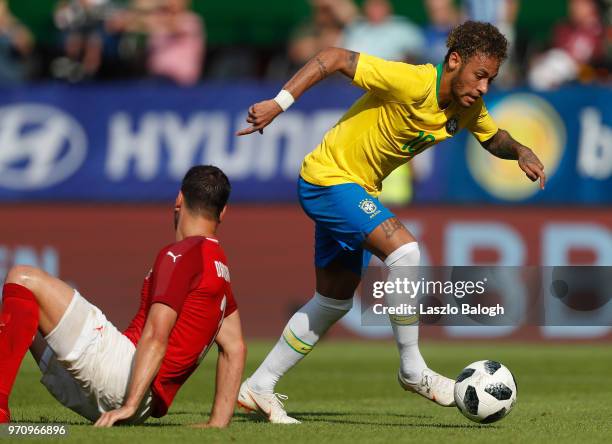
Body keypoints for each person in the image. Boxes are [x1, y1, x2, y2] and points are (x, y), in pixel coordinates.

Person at [235, 21, 545, 424]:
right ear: (454, 61)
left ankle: (259, 386)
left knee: (333, 300)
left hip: (355, 189)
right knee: (405, 250)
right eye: (480, 75)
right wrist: (280, 102)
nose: (485, 87)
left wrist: (520, 150)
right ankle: (412, 369)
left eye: (491, 79)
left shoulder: (466, 108)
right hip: (328, 179)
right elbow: (334, 58)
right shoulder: (412, 81)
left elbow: (492, 136)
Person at [0, 165, 246, 427]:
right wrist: (218, 422)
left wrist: (129, 403)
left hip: (123, 378)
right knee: (24, 312)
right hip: (141, 403)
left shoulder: (181, 255)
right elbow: (235, 348)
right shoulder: (219, 267)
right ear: (223, 212)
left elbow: (155, 334)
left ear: (179, 200)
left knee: (22, 278)